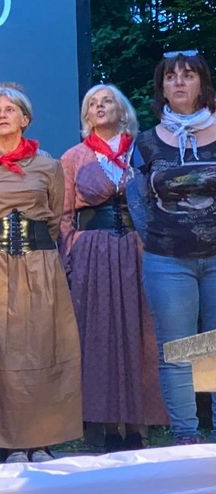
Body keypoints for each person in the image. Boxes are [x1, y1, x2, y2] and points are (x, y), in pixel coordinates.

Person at [0, 84, 81, 463]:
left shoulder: (48, 166)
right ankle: (6, 442)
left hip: (38, 263)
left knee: (42, 346)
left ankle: (41, 439)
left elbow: (55, 215)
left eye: (10, 109)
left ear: (25, 119)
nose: (2, 115)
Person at [60, 84, 167, 451]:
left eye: (107, 101)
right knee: (99, 334)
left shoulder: (143, 152)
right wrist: (71, 251)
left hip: (138, 249)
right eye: (93, 103)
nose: (100, 106)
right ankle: (106, 427)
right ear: (86, 115)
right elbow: (63, 214)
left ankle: (138, 426)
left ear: (122, 111)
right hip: (94, 251)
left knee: (140, 332)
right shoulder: (74, 157)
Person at [129, 51, 216, 445]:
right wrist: (161, 239)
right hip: (168, 261)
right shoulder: (147, 142)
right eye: (171, 77)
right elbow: (137, 201)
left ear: (202, 84)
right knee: (180, 349)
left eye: (188, 75)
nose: (179, 82)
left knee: (213, 348)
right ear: (161, 89)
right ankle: (187, 438)